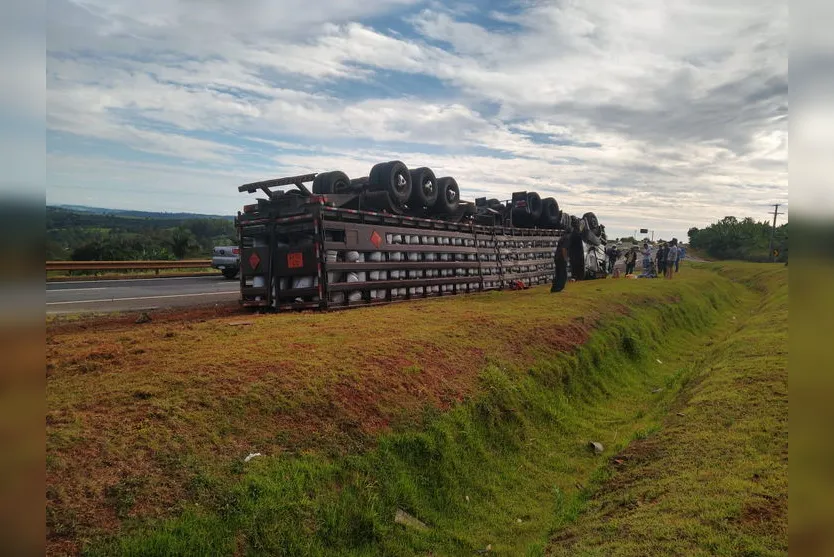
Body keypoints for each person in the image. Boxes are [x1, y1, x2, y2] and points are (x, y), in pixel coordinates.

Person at [551, 220, 576, 293]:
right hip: (561, 258)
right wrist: (565, 258)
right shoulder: (568, 238)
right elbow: (564, 249)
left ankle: (554, 288)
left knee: (558, 274)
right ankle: (559, 288)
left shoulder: (562, 237)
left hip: (557, 257)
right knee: (563, 274)